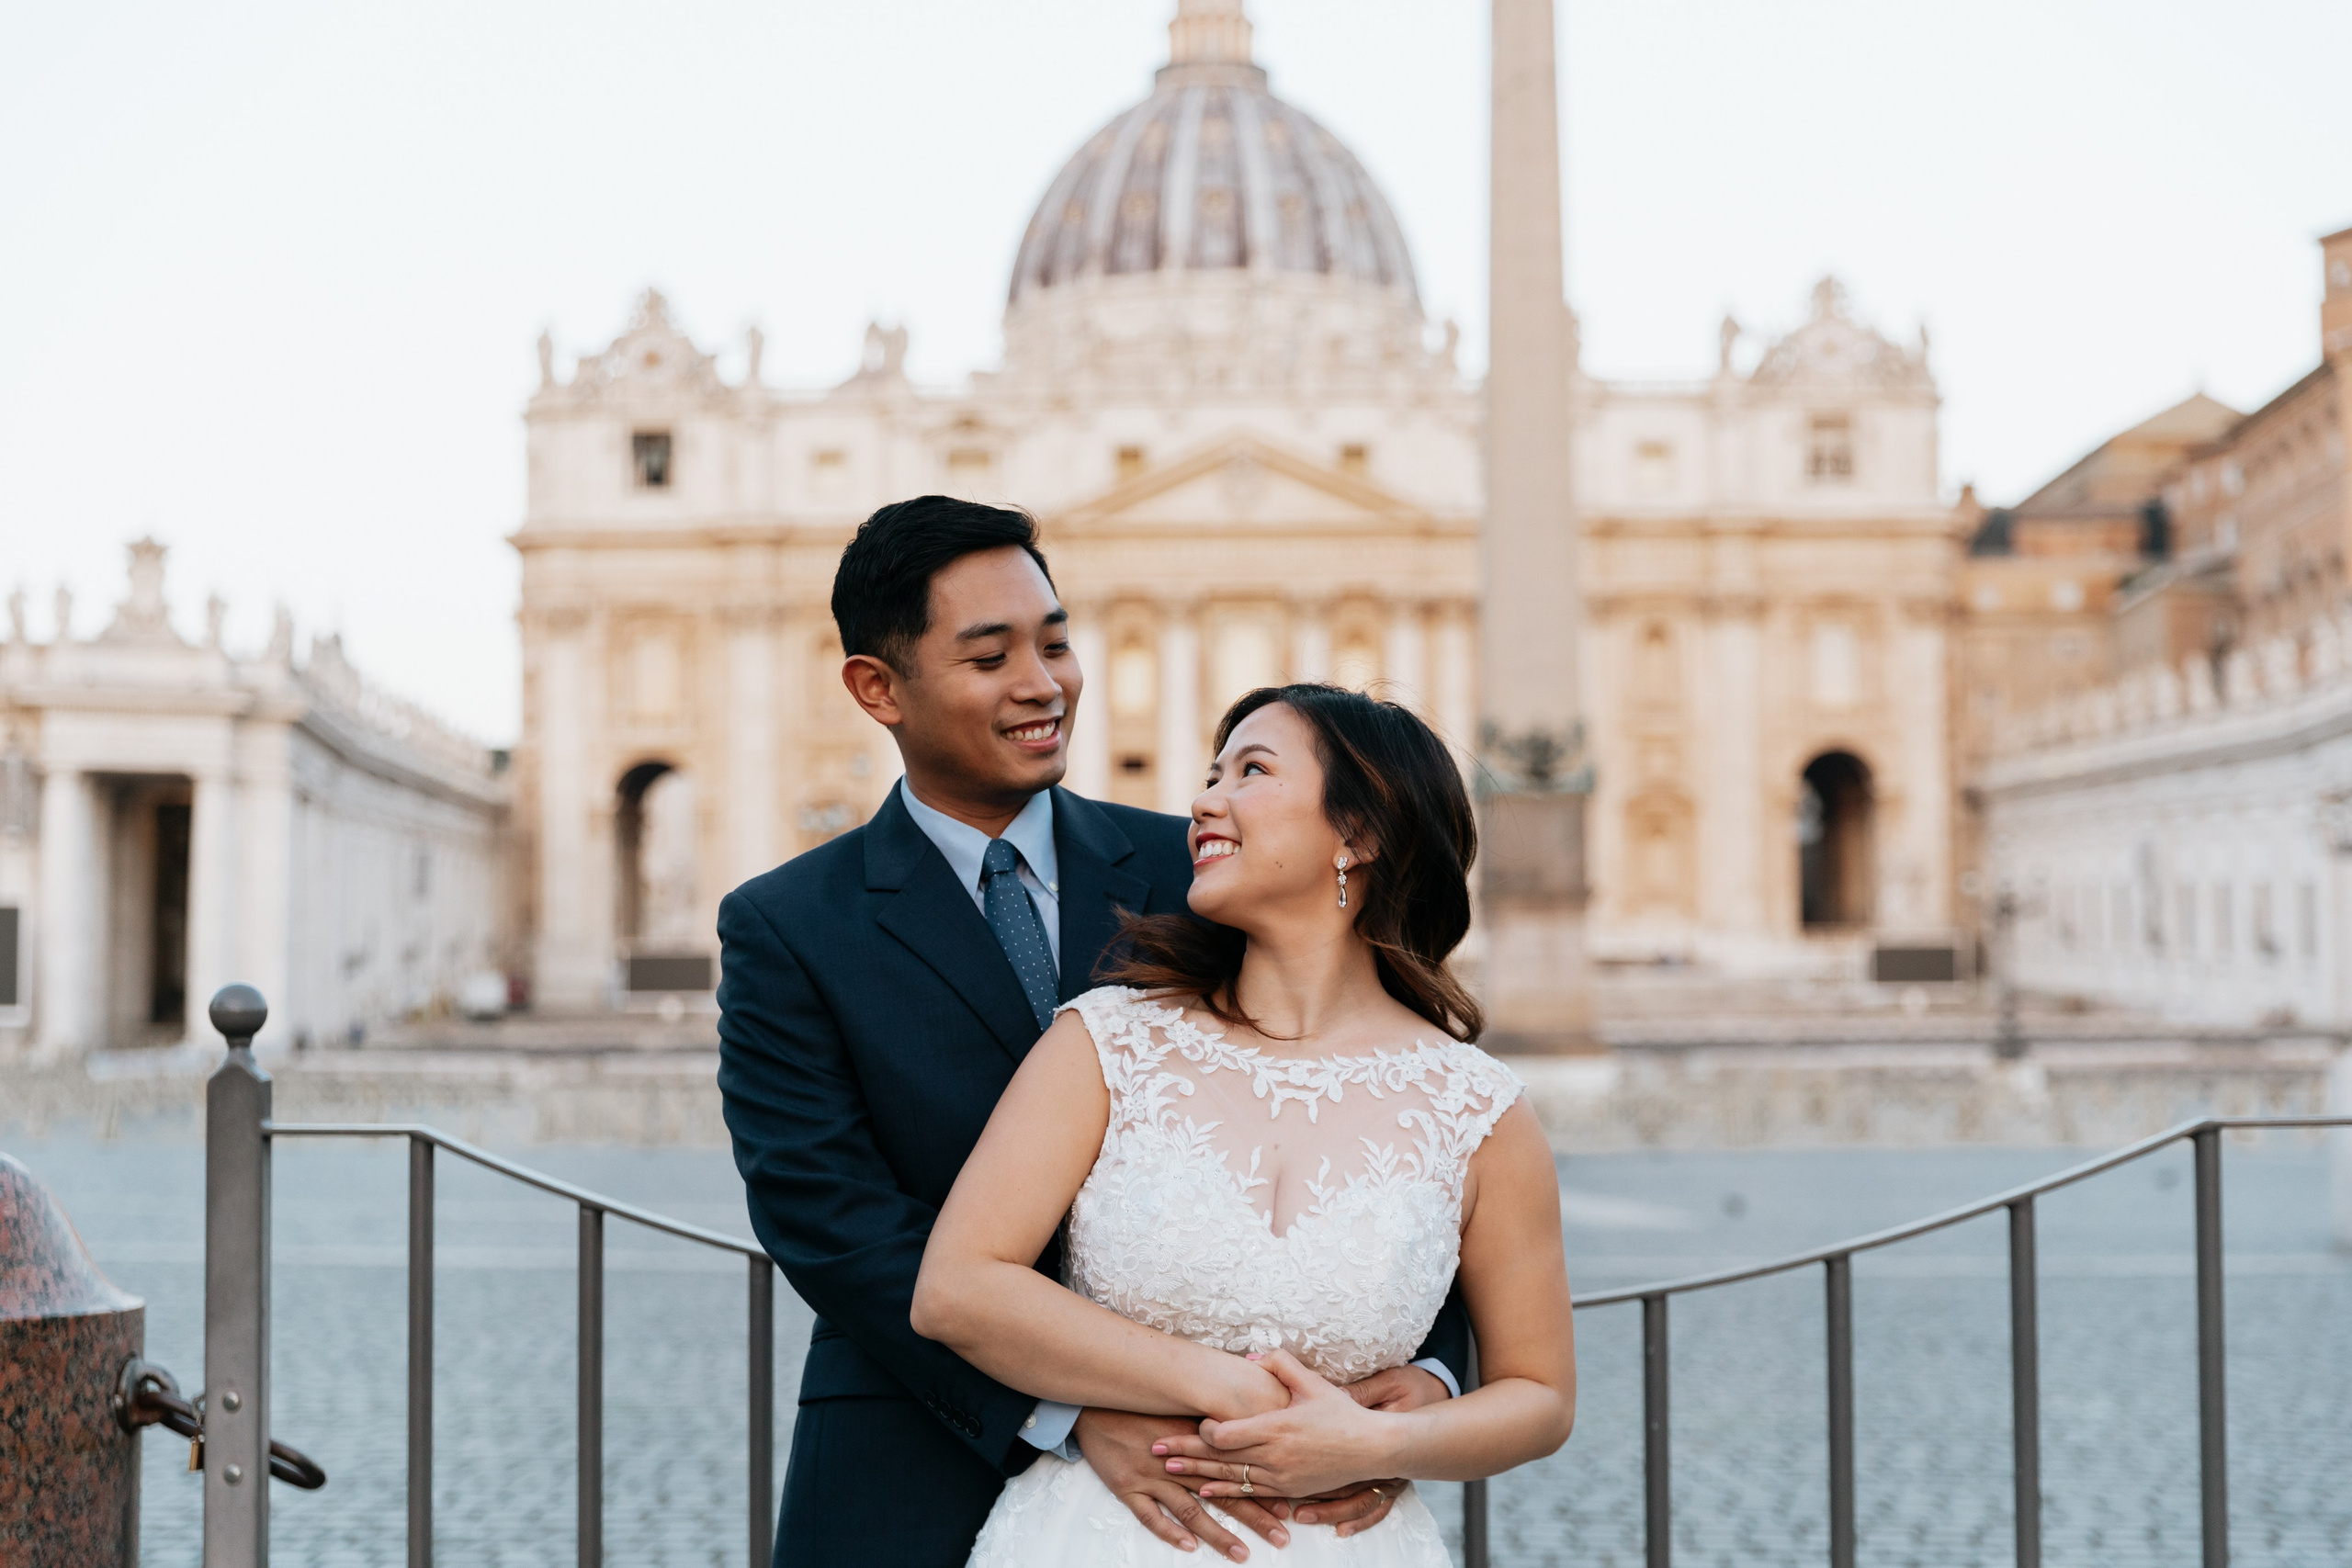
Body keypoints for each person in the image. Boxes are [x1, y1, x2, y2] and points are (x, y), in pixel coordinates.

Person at [717, 497, 1475, 1567]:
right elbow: (828, 1218)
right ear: (877, 687)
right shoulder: (788, 924)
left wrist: (1428, 1376)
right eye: (990, 657)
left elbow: (1389, 1109)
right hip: (915, 1441)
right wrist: (1067, 1411)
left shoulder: (1208, 868)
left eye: (1056, 643)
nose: (1043, 684)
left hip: (1254, 1466)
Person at [913, 682, 1578, 1565]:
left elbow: (1540, 1395)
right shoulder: (1106, 1041)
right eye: (1211, 775)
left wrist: (1377, 1443)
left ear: (1360, 832)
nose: (1203, 802)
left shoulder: (1478, 1107)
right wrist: (1222, 1385)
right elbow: (958, 1288)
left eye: (1251, 771)